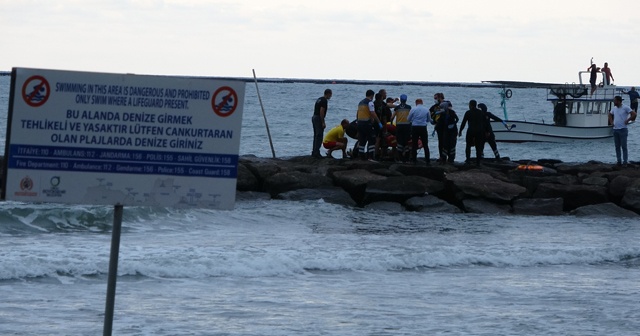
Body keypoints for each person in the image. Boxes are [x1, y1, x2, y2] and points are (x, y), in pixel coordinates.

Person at [608, 95, 637, 166]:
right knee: (617, 146)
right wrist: (611, 122)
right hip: (615, 130)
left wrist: (628, 120)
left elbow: (634, 114)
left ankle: (625, 162)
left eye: (615, 101)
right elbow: (610, 114)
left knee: (624, 146)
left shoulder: (625, 107)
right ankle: (619, 161)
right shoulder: (614, 108)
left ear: (619, 101)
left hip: (623, 129)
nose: (614, 102)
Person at [458, 100, 486, 166]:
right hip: (479, 131)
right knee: (478, 147)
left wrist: (460, 131)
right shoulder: (480, 112)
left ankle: (468, 160)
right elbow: (484, 123)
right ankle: (478, 162)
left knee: (468, 146)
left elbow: (464, 122)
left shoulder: (468, 112)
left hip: (471, 130)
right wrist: (485, 131)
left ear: (470, 105)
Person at [356, 89, 382, 161]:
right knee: (371, 139)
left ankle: (361, 157)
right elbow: (373, 113)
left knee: (362, 140)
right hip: (367, 124)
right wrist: (379, 122)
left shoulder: (360, 103)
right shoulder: (370, 103)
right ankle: (370, 157)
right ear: (372, 95)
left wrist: (358, 121)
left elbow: (357, 113)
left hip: (360, 123)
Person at [407, 98, 432, 164]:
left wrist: (413, 120)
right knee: (425, 144)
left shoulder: (413, 109)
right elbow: (429, 119)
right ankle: (427, 160)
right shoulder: (426, 109)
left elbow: (408, 119)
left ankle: (414, 160)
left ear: (416, 103)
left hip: (415, 127)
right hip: (423, 127)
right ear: (422, 102)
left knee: (414, 144)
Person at [390, 94, 412, 162]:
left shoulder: (397, 108)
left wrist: (391, 123)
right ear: (406, 100)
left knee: (399, 142)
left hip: (399, 126)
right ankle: (407, 158)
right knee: (407, 142)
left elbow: (392, 117)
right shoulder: (409, 107)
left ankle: (400, 158)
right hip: (407, 127)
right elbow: (411, 117)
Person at [312, 89, 332, 158]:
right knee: (319, 135)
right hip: (318, 118)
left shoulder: (319, 99)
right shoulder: (324, 101)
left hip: (314, 117)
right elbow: (321, 111)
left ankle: (314, 151)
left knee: (316, 135)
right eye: (330, 94)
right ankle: (316, 152)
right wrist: (323, 122)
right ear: (328, 94)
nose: (331, 96)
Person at [429, 93, 446, 162]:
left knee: (445, 141)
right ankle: (441, 156)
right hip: (438, 125)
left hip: (445, 125)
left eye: (436, 98)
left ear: (440, 98)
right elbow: (429, 113)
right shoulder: (434, 107)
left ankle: (445, 156)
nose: (435, 100)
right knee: (440, 141)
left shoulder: (446, 104)